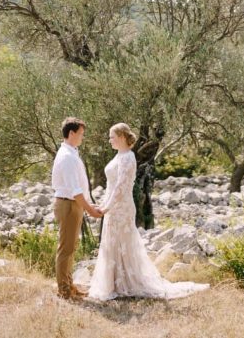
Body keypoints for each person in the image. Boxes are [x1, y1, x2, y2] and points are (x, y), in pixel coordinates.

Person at [87, 122, 209, 301]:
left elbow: (121, 187)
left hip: (122, 207)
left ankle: (127, 282)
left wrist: (106, 207)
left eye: (112, 136)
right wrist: (103, 204)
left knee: (122, 243)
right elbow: (111, 186)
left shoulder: (128, 157)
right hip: (113, 207)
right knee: (112, 243)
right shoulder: (119, 156)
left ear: (121, 137)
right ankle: (113, 282)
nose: (109, 140)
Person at [51, 116, 102, 300]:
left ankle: (69, 286)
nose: (82, 137)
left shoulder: (71, 153)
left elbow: (79, 188)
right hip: (68, 204)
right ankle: (64, 291)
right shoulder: (67, 157)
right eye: (80, 134)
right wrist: (90, 210)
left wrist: (89, 204)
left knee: (70, 247)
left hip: (71, 204)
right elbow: (75, 191)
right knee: (66, 249)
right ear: (71, 133)